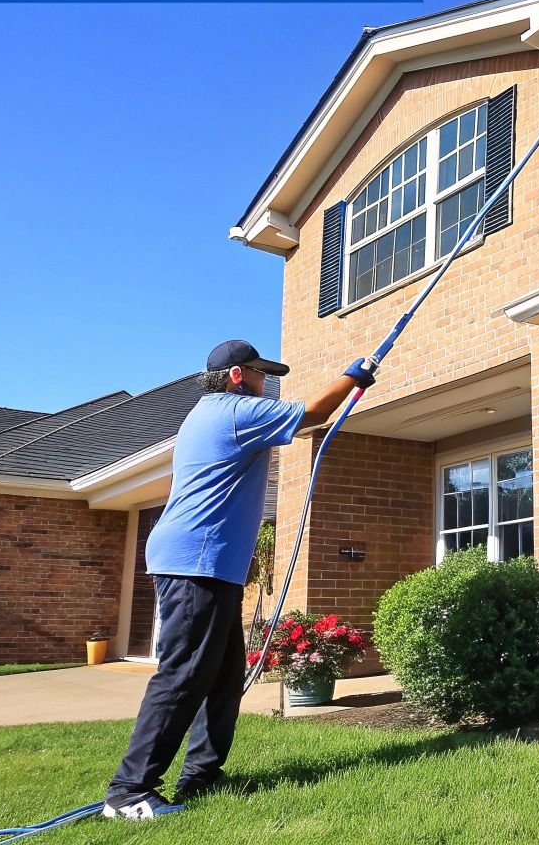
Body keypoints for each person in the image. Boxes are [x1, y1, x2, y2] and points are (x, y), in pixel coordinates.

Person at [104, 339, 376, 820]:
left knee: (224, 676)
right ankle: (129, 792)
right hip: (195, 562)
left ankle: (202, 774)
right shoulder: (232, 411)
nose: (265, 381)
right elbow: (311, 412)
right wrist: (353, 375)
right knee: (185, 673)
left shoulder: (216, 413)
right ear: (236, 375)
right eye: (259, 373)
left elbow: (308, 417)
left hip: (206, 564)